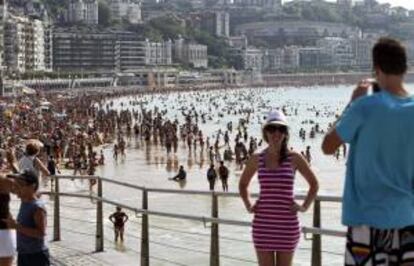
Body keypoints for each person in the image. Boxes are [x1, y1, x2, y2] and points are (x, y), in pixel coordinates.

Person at [322, 38, 414, 266]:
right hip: (407, 219)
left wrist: (352, 103)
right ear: (405, 68)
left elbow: (328, 146)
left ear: (377, 69)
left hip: (366, 220)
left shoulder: (365, 107)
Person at [239, 110, 319, 266]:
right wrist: (248, 205)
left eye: (281, 129)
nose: (276, 133)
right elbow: (243, 184)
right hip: (263, 226)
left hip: (287, 227)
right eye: (272, 128)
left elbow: (314, 184)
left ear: (285, 133)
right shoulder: (257, 158)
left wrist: (304, 207)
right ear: (265, 132)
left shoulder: (294, 158)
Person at [1, 171, 50, 266]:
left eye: (20, 185)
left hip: (36, 256)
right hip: (23, 253)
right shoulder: (25, 202)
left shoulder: (37, 207)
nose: (15, 188)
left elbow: (41, 233)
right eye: (15, 184)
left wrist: (17, 227)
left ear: (32, 186)